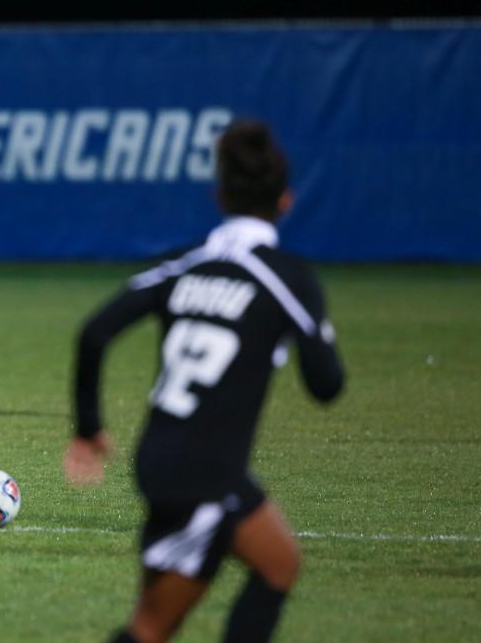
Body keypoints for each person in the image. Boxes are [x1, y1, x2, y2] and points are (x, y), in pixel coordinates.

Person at [64, 120, 344, 643]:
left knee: (273, 567)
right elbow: (327, 385)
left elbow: (94, 333)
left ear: (220, 195)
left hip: (170, 458)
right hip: (203, 474)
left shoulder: (182, 265)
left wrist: (88, 430)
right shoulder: (289, 278)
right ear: (286, 201)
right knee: (159, 624)